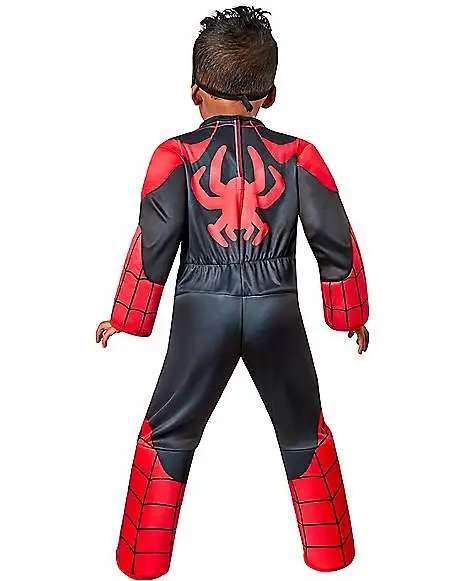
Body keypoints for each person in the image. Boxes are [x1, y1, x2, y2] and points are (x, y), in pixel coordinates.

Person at [96, 6, 369, 579]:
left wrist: (127, 316)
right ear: (270, 95)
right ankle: (331, 554)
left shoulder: (175, 155)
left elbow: (153, 239)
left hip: (201, 310)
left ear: (194, 90)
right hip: (277, 307)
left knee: (168, 434)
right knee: (304, 430)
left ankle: (142, 563)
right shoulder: (299, 155)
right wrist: (349, 315)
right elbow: (334, 237)